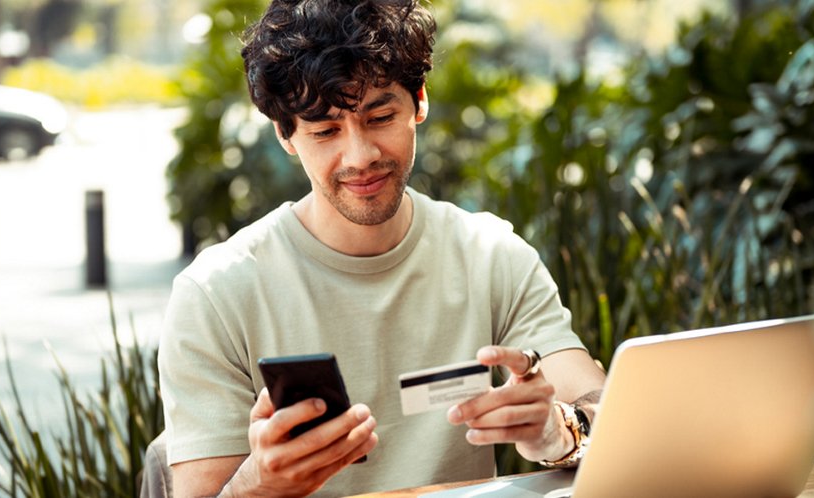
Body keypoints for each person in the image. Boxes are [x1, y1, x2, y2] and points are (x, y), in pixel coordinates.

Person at [158, 1, 606, 496]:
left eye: (380, 116)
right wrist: (259, 484)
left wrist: (557, 431)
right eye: (325, 131)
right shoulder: (216, 293)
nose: (361, 156)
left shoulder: (492, 257)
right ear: (286, 135)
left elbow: (602, 412)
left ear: (419, 102)